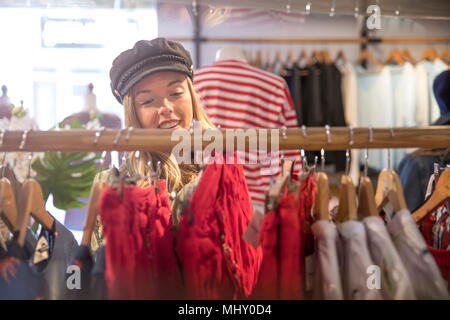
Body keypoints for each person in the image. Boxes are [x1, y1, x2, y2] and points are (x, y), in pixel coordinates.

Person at [90, 38, 217, 252]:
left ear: (191, 96)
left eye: (175, 94)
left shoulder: (222, 171)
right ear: (133, 112)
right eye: (148, 101)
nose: (166, 107)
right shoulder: (113, 187)